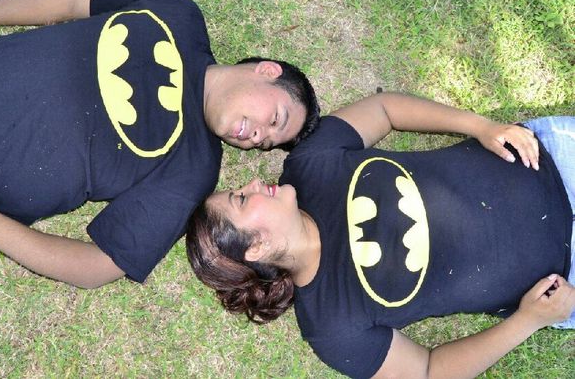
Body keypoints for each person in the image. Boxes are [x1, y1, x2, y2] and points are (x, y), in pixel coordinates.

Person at [0, 0, 320, 289]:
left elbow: (100, 266)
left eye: (266, 142)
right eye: (275, 119)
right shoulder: (180, 17)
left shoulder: (193, 171)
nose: (258, 136)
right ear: (267, 71)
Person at [186, 92, 575, 378]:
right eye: (241, 198)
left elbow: (383, 108)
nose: (254, 182)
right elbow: (427, 371)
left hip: (550, 158)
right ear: (256, 247)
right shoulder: (331, 325)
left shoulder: (309, 164)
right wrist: (529, 321)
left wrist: (481, 126)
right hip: (566, 275)